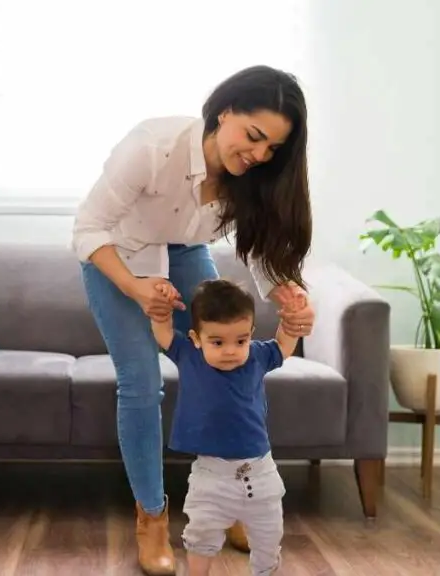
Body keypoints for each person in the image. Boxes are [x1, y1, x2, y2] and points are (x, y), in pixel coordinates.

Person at [71, 64, 315, 575]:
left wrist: (287, 294)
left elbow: (258, 251)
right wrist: (135, 287)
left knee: (223, 362)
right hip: (118, 252)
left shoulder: (254, 177)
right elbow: (89, 228)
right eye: (253, 136)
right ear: (224, 111)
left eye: (272, 148)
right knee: (141, 381)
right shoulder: (151, 147)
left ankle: (229, 503)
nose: (258, 155)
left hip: (184, 251)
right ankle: (152, 517)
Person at [151, 279, 300, 575]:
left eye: (240, 340)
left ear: (251, 335)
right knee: (200, 536)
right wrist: (162, 308)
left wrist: (292, 319)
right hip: (211, 475)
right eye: (217, 342)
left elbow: (284, 345)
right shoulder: (188, 354)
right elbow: (163, 333)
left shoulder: (257, 356)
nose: (231, 351)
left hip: (260, 472)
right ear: (196, 337)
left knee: (269, 538)